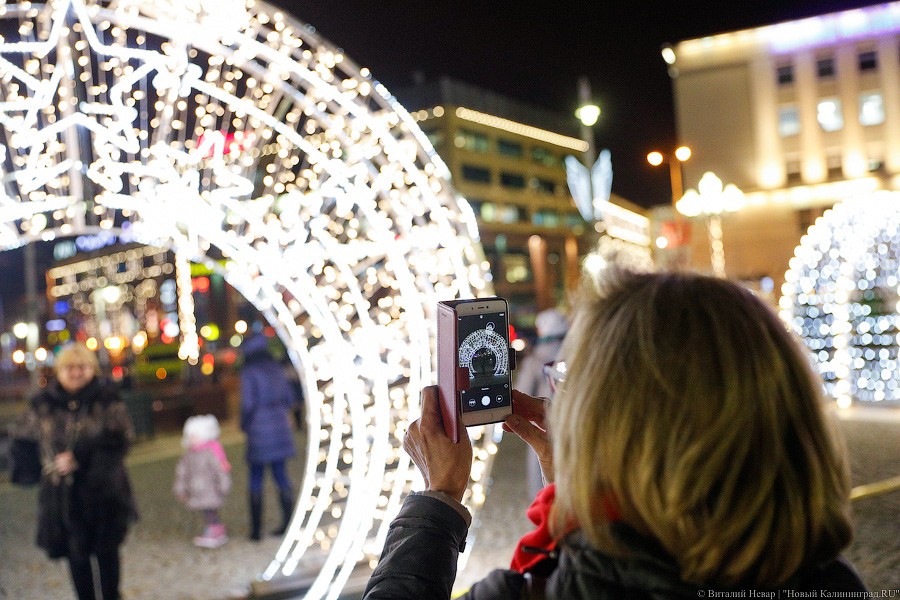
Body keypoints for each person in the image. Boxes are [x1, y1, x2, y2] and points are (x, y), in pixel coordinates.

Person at [363, 269, 867, 599]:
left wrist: (438, 500)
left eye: (570, 381)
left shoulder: (555, 591)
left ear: (606, 423)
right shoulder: (835, 584)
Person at [12, 342, 137, 600]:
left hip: (103, 492)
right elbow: (21, 440)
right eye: (69, 367)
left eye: (82, 367)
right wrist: (46, 466)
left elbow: (121, 440)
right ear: (59, 371)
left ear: (92, 369)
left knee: (107, 557)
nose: (76, 372)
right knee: (76, 558)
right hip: (62, 497)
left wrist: (80, 459)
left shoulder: (106, 400)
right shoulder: (43, 404)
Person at [240, 332, 298, 541]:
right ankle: (288, 522)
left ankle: (256, 530)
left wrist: (244, 424)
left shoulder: (249, 372)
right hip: (280, 425)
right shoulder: (276, 368)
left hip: (258, 428)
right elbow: (290, 397)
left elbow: (247, 404)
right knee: (281, 475)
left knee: (256, 477)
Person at [513, 307, 568, 498]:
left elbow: (522, 394)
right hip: (574, 419)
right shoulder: (576, 353)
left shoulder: (536, 358)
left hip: (544, 421)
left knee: (542, 470)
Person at [173, 414, 232, 548]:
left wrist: (224, 485)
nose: (191, 439)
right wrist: (180, 489)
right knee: (207, 513)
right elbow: (182, 473)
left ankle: (215, 531)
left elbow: (220, 471)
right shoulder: (188, 455)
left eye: (194, 436)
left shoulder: (210, 453)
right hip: (198, 491)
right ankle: (214, 530)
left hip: (210, 491)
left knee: (210, 512)